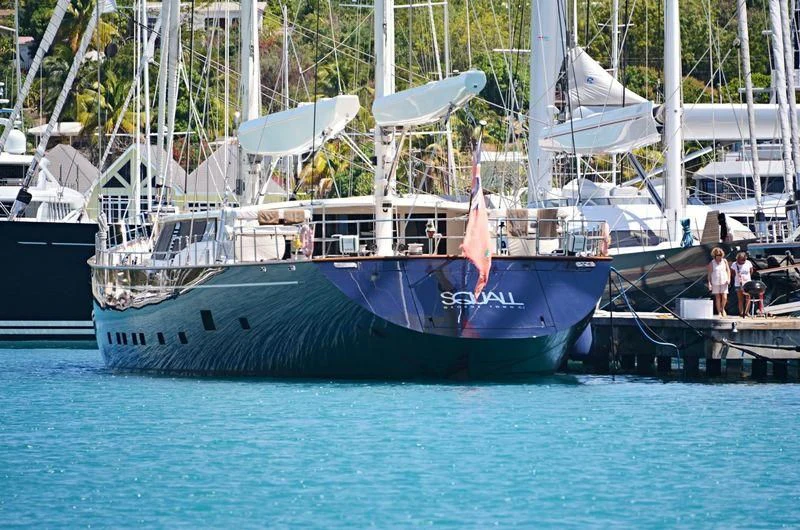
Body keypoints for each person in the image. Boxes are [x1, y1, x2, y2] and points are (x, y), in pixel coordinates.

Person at [707, 247, 730, 316]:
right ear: (715, 255)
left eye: (720, 255)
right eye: (717, 255)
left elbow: (728, 270)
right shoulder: (712, 263)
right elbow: (709, 274)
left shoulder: (724, 261)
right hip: (715, 281)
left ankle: (722, 308)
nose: (719, 257)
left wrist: (729, 279)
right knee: (718, 297)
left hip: (724, 281)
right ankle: (719, 312)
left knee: (724, 297)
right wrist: (709, 283)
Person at [730, 251, 755, 317]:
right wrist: (737, 278)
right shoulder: (734, 264)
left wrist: (746, 278)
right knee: (740, 299)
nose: (743, 261)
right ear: (738, 259)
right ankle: (741, 313)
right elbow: (732, 273)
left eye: (744, 260)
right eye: (741, 260)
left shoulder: (748, 263)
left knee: (748, 298)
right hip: (738, 284)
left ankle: (747, 312)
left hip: (747, 283)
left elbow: (751, 271)